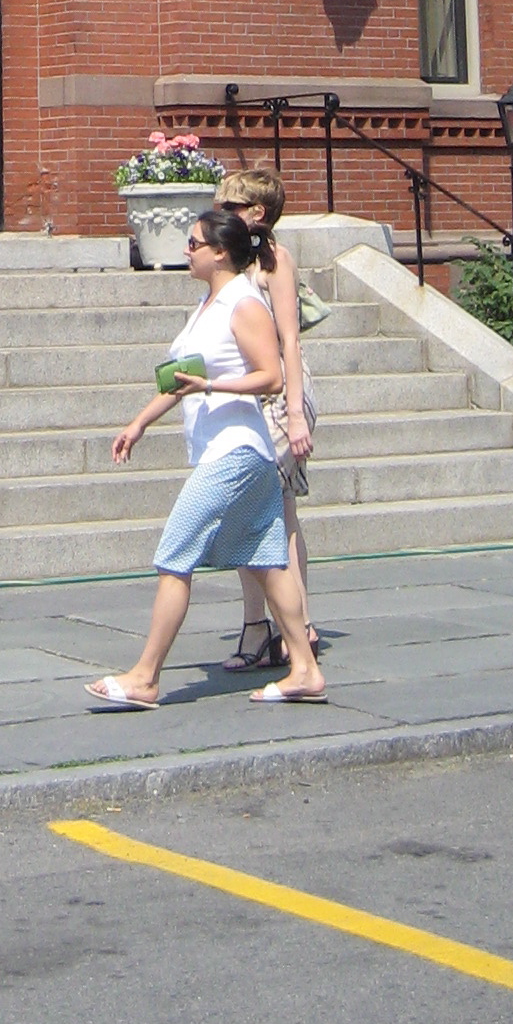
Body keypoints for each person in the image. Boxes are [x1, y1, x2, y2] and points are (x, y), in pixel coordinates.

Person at [86, 205, 324, 710]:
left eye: (193, 243)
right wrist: (140, 422)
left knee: (175, 553)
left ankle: (145, 677)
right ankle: (304, 669)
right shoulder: (208, 304)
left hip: (236, 453)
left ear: (221, 253)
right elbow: (181, 378)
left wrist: (213, 385)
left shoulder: (243, 304)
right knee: (268, 561)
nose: (186, 251)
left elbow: (273, 376)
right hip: (233, 453)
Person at [212, 166, 319, 677]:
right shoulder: (227, 261)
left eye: (229, 207)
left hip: (278, 397)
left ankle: (286, 624)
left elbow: (290, 339)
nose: (220, 214)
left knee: (277, 509)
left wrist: (296, 414)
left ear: (256, 213)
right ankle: (267, 625)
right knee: (257, 508)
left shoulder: (275, 262)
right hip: (243, 396)